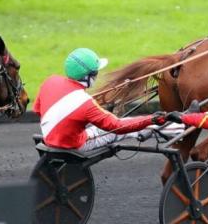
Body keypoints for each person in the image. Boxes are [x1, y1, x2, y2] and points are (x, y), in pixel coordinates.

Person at [33, 48, 167, 152]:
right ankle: (169, 127)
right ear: (88, 77)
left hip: (49, 138)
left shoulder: (50, 81)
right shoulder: (86, 103)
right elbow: (118, 127)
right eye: (96, 73)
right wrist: (151, 118)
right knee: (123, 127)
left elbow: (38, 110)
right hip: (75, 146)